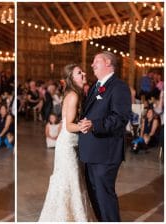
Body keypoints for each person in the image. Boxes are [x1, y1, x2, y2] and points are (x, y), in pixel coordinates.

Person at [78, 51, 131, 221]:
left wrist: (95, 124)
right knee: (94, 194)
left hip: (106, 152)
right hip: (92, 151)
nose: (92, 65)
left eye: (96, 61)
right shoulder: (96, 86)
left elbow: (120, 118)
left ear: (108, 62)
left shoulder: (119, 87)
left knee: (104, 195)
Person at [39, 64, 95, 222]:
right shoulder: (73, 95)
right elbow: (69, 125)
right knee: (69, 179)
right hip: (67, 144)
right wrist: (85, 126)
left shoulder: (75, 93)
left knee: (72, 179)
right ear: (71, 78)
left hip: (71, 143)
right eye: (79, 72)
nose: (84, 73)